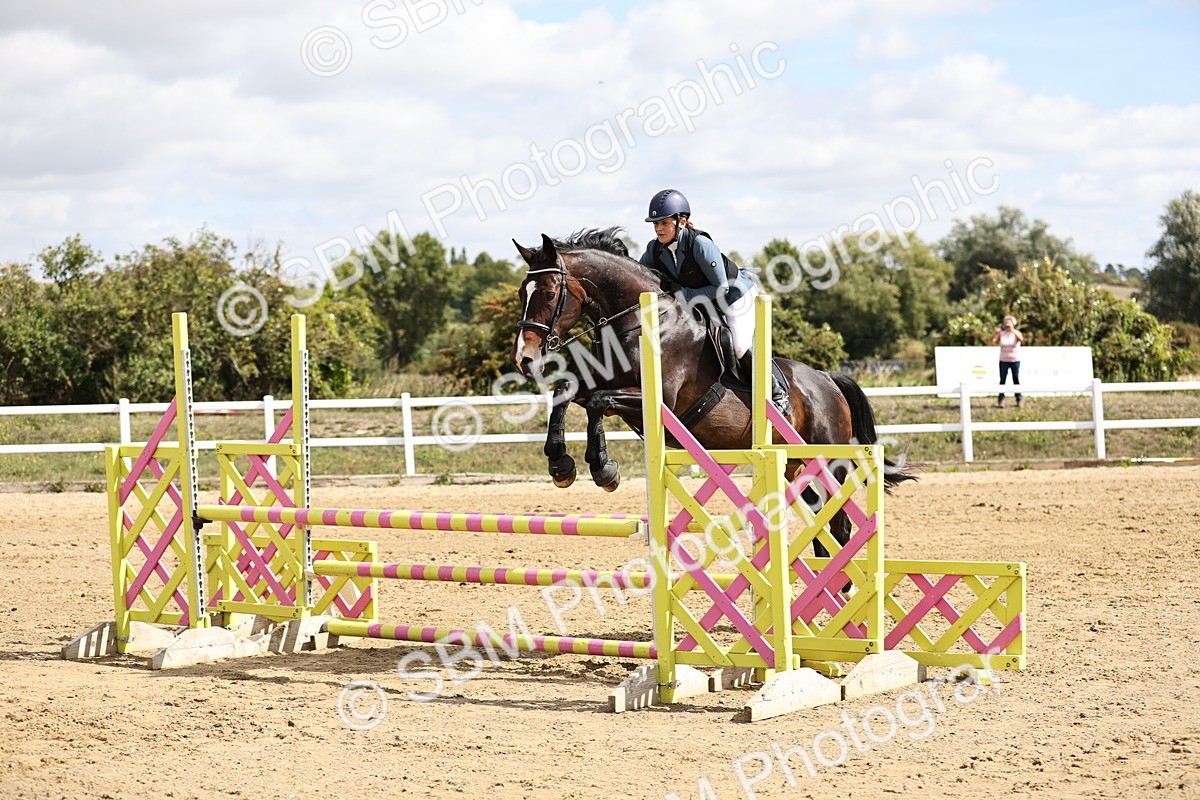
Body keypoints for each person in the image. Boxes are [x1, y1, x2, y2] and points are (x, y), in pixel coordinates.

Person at [638, 189, 791, 415]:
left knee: (739, 346)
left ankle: (778, 394)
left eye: (663, 223)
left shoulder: (699, 244)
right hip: (703, 301)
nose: (658, 229)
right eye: (655, 224)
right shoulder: (655, 249)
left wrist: (681, 295)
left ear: (682, 221)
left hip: (735, 296)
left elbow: (721, 288)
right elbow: (640, 274)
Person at [991, 314, 1025, 408]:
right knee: (1002, 380)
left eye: (1009, 324)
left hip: (1015, 360)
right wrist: (997, 332)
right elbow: (994, 341)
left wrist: (1012, 330)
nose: (1007, 326)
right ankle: (1001, 400)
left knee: (1016, 379)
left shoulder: (1016, 333)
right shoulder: (1002, 334)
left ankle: (1019, 399)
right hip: (1003, 360)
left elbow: (1022, 339)